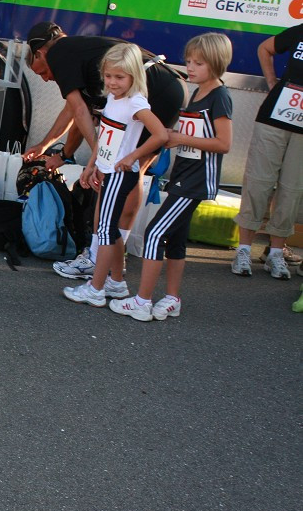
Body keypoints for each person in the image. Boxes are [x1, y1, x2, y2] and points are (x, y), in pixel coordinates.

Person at [22, 22, 186, 281]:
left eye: (41, 73)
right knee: (134, 171)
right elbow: (75, 112)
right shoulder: (78, 51)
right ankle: (112, 261)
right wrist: (54, 149)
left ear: (39, 53)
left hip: (155, 89)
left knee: (117, 173)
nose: (46, 78)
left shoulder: (58, 54)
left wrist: (99, 157)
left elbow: (79, 111)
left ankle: (99, 258)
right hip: (169, 85)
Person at [109, 33, 233, 321]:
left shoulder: (220, 96)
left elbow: (224, 143)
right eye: (189, 61)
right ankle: (172, 298)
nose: (190, 67)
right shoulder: (198, 92)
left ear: (215, 63)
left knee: (154, 234)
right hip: (183, 174)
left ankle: (142, 300)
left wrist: (177, 138)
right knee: (176, 239)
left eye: (198, 63)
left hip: (196, 179)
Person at [63, 42, 168, 307]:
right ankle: (116, 282)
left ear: (134, 75)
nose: (112, 82)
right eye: (108, 76)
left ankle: (96, 288)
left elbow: (161, 135)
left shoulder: (135, 103)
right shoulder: (114, 98)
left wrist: (132, 157)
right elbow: (106, 135)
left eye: (119, 77)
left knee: (106, 230)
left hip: (122, 174)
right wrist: (91, 165)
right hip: (109, 170)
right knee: (109, 229)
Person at [232, 23, 303, 280]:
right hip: (273, 118)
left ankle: (275, 253)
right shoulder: (299, 31)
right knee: (258, 181)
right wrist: (272, 80)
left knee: (292, 188)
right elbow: (265, 48)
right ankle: (243, 249)